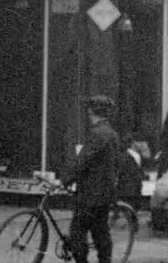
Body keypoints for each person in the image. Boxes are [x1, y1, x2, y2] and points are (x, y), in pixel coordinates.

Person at [61, 95, 120, 263]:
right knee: (100, 231)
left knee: (78, 231)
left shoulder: (97, 134)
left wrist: (64, 180)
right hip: (104, 193)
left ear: (91, 112)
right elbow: (115, 163)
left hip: (90, 193)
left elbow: (82, 161)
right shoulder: (111, 132)